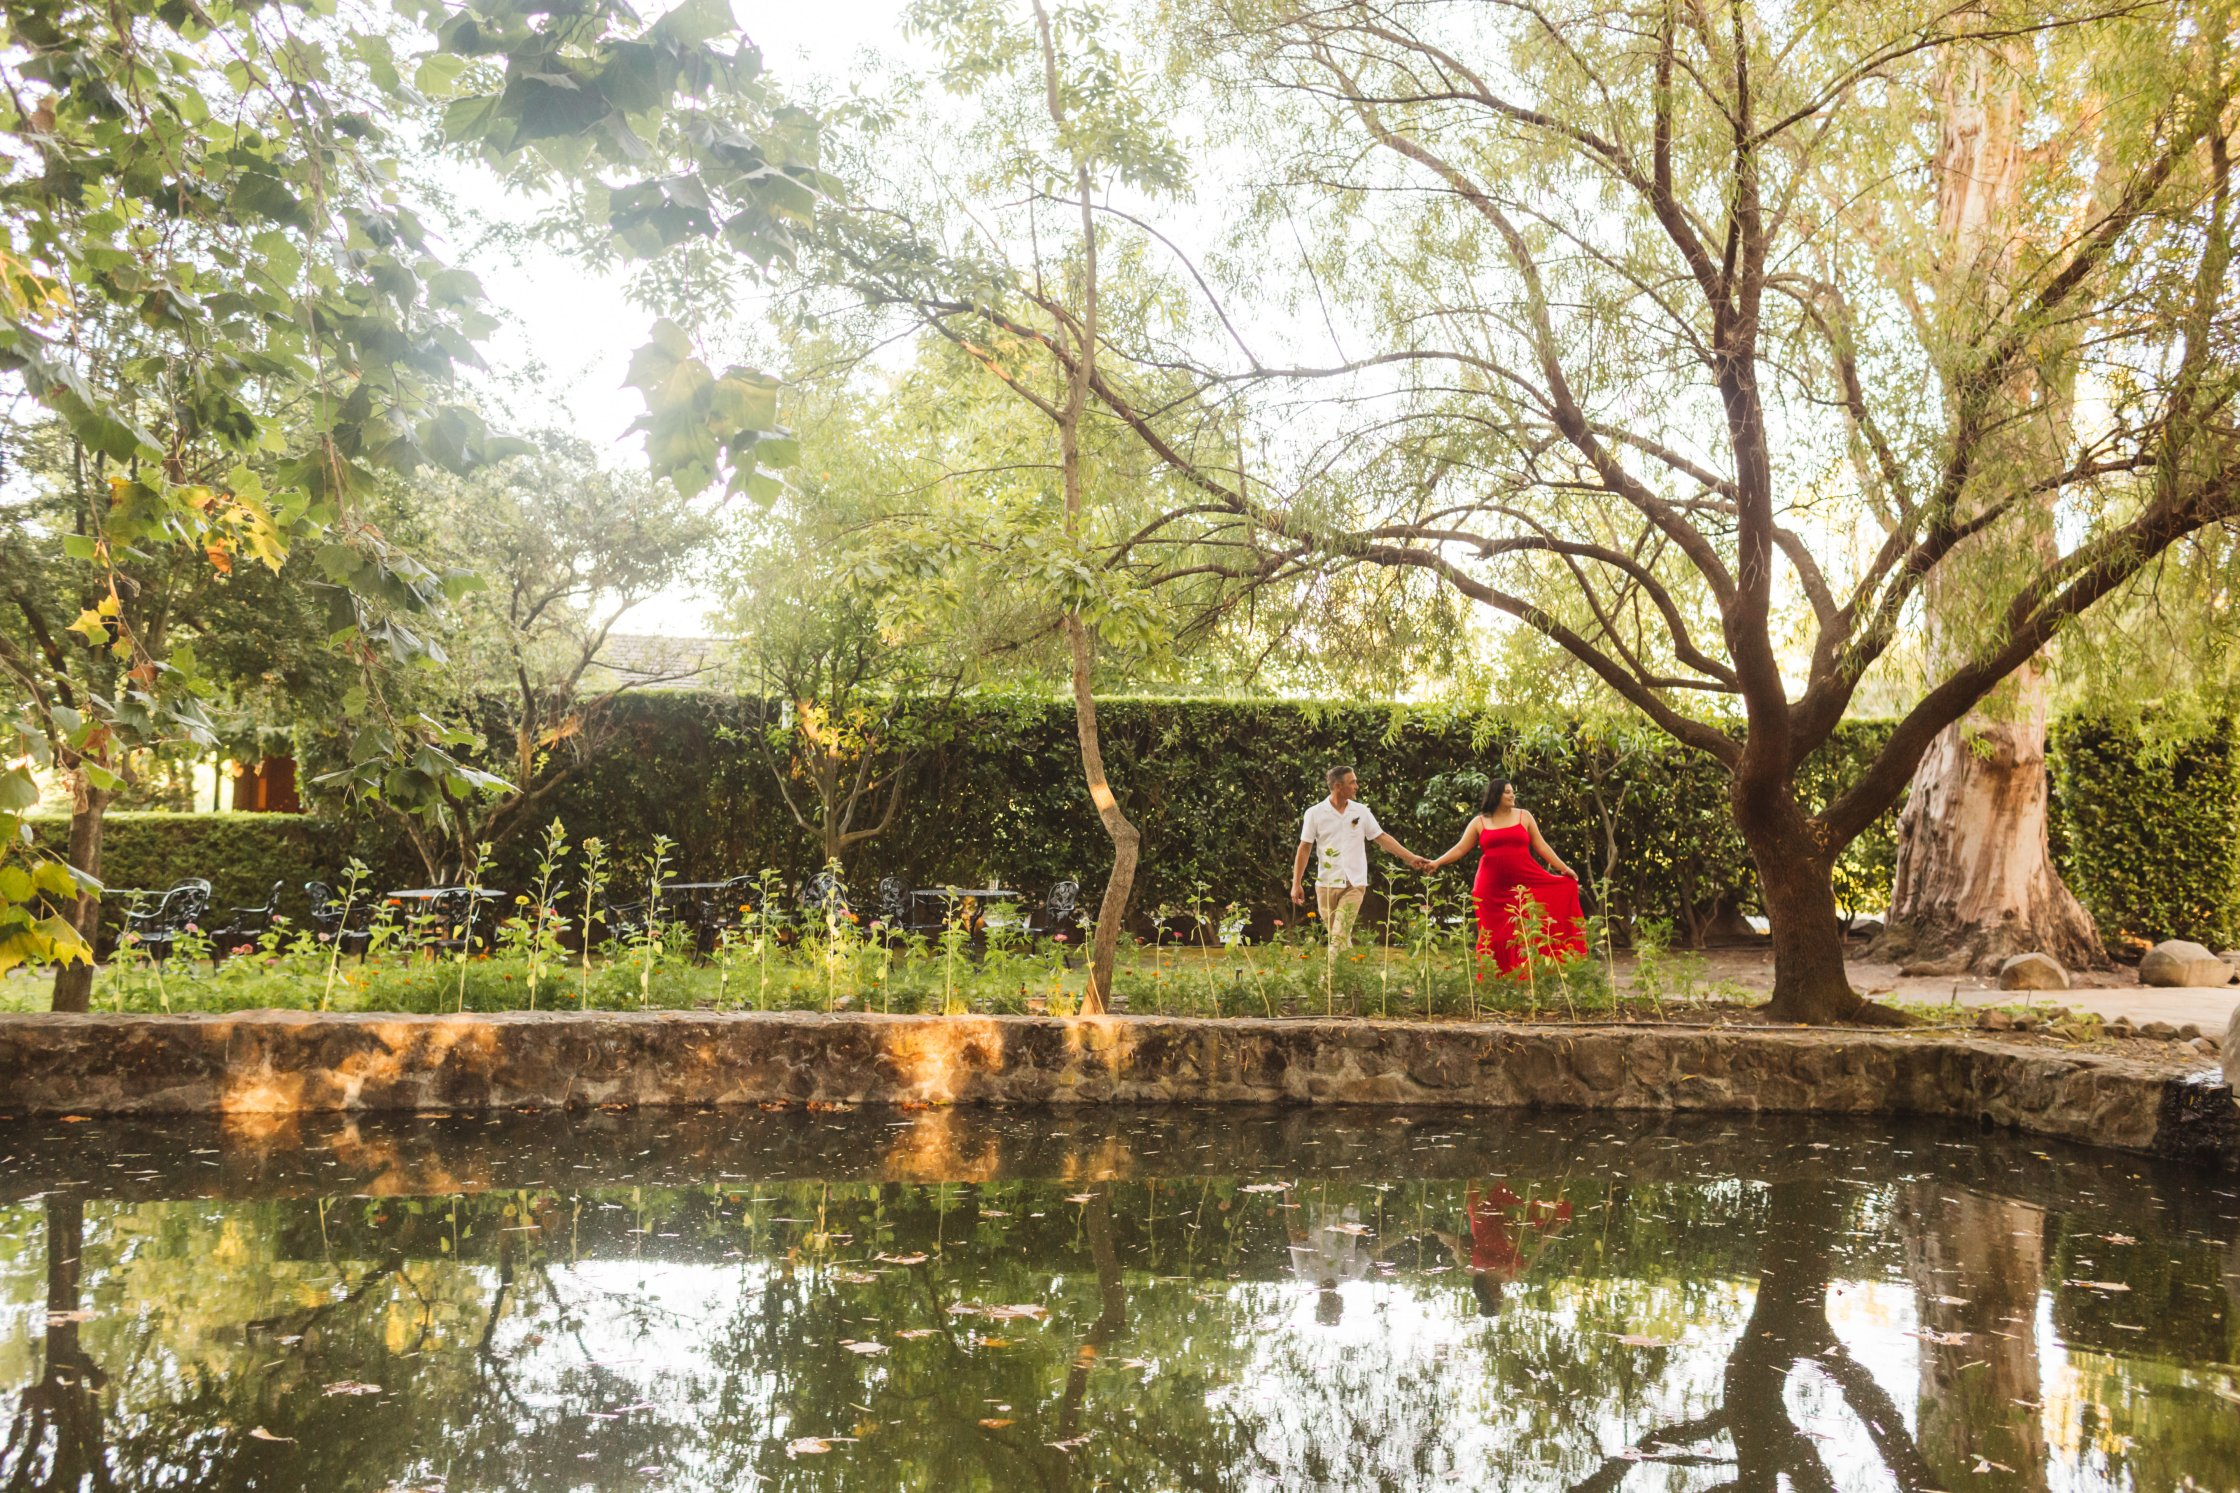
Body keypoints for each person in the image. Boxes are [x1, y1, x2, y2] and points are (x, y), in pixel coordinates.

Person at [1426, 777, 1587, 976]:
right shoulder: (1480, 821)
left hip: (1524, 881)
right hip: (1490, 887)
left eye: (1512, 791)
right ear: (1496, 795)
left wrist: (1564, 869)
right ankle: (1493, 978)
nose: (1513, 795)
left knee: (1526, 929)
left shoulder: (1524, 816)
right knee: (1494, 935)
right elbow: (1460, 848)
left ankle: (1524, 977)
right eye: (1508, 792)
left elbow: (1541, 846)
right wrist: (1437, 862)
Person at [1290, 764, 1431, 983]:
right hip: (1326, 884)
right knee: (1340, 938)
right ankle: (1353, 982)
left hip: (1354, 883)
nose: (1357, 786)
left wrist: (1410, 857)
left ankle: (1325, 983)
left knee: (1338, 934)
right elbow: (1305, 848)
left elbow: (1381, 837)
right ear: (1338, 786)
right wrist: (1296, 883)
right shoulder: (1315, 814)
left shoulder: (1361, 811)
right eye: (1352, 782)